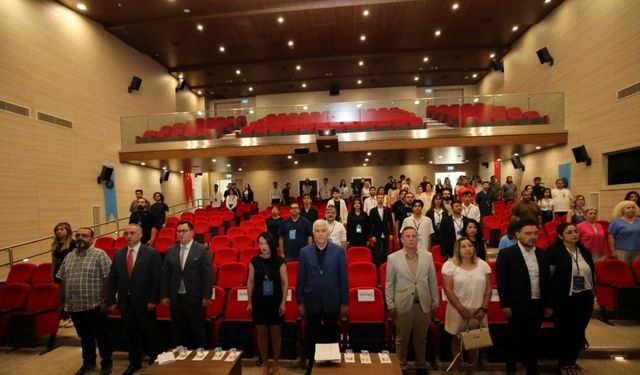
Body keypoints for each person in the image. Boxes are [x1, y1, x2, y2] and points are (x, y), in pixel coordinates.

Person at [496, 220, 552, 375]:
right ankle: (511, 367)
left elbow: (547, 281)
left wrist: (548, 304)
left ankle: (532, 367)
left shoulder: (543, 254)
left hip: (537, 303)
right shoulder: (507, 254)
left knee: (534, 337)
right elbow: (502, 281)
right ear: (518, 235)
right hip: (516, 304)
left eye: (535, 233)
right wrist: (505, 304)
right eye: (528, 234)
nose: (532, 237)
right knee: (514, 338)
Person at [57, 227, 113, 375]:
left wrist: (105, 300)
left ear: (92, 239)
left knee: (102, 336)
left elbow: (107, 278)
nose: (81, 238)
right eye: (78, 235)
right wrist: (62, 301)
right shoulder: (69, 256)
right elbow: (63, 278)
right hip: (75, 305)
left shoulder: (99, 255)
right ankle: (88, 362)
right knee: (84, 337)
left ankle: (106, 363)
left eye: (85, 235)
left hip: (94, 304)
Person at [107, 224, 162, 375]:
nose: (128, 236)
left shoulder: (151, 253)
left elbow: (157, 279)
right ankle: (134, 362)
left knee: (150, 333)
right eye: (126, 233)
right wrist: (111, 300)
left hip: (145, 302)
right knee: (130, 333)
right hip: (125, 302)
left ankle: (154, 361)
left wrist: (153, 300)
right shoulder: (119, 254)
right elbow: (112, 279)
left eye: (132, 233)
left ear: (140, 235)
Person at [297, 220, 349, 375]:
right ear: (313, 234)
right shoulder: (305, 252)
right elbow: (301, 278)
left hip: (332, 301)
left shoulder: (338, 251)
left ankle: (330, 367)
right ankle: (311, 366)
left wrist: (344, 301)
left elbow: (343, 278)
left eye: (323, 231)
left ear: (328, 233)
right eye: (317, 231)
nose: (320, 233)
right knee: (312, 334)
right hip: (311, 300)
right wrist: (299, 301)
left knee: (331, 334)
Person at [385, 226, 439, 375]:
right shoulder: (393, 258)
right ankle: (401, 366)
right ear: (401, 239)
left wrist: (435, 301)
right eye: (407, 236)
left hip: (423, 304)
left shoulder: (427, 256)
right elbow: (389, 283)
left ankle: (421, 365)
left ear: (418, 238)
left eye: (414, 236)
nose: (411, 239)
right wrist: (390, 304)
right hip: (403, 305)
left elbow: (432, 281)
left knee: (421, 339)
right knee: (402, 339)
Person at [547, 223, 595, 374]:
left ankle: (572, 361)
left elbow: (591, 274)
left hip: (585, 296)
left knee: (579, 331)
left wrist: (594, 294)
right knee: (564, 331)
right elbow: (549, 278)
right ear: (561, 236)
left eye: (575, 231)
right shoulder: (554, 252)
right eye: (569, 232)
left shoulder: (584, 251)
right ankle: (563, 363)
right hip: (564, 299)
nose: (574, 234)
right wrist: (548, 302)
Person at [442, 237, 492, 373]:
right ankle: (457, 369)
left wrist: (484, 309)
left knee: (474, 342)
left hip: (478, 310)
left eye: (470, 245)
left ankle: (472, 369)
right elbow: (448, 290)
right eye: (463, 246)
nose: (468, 249)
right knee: (457, 340)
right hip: (457, 310)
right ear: (457, 249)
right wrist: (461, 309)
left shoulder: (483, 265)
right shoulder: (449, 265)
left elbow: (488, 289)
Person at [160, 221, 213, 348]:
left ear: (192, 232)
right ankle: (182, 360)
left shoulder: (202, 249)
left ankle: (201, 359)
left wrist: (207, 296)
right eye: (178, 231)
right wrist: (164, 295)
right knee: (178, 331)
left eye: (184, 231)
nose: (180, 234)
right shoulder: (171, 250)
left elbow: (208, 275)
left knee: (198, 331)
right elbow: (166, 275)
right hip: (176, 298)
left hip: (195, 298)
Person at [246, 232, 287, 375]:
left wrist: (283, 302)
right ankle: (265, 364)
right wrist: (249, 301)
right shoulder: (254, 261)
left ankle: (276, 363)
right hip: (259, 302)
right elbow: (250, 282)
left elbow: (284, 282)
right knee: (261, 335)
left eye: (266, 243)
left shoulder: (279, 261)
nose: (263, 246)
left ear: (271, 244)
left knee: (276, 335)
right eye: (261, 243)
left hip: (275, 301)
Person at [608, 200, 640, 266]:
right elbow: (611, 237)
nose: (631, 209)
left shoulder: (639, 220)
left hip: (638, 250)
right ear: (622, 210)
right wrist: (612, 251)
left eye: (633, 207)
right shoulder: (616, 221)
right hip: (622, 251)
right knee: (623, 271)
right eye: (628, 208)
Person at [370, 193, 394, 266]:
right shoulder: (372, 211)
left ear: (384, 199)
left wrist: (391, 234)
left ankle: (385, 266)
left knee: (385, 251)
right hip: (376, 233)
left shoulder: (388, 210)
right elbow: (370, 224)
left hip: (386, 232)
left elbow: (391, 222)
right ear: (377, 199)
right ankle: (378, 267)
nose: (380, 199)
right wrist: (372, 235)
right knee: (377, 252)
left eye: (381, 198)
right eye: (379, 198)